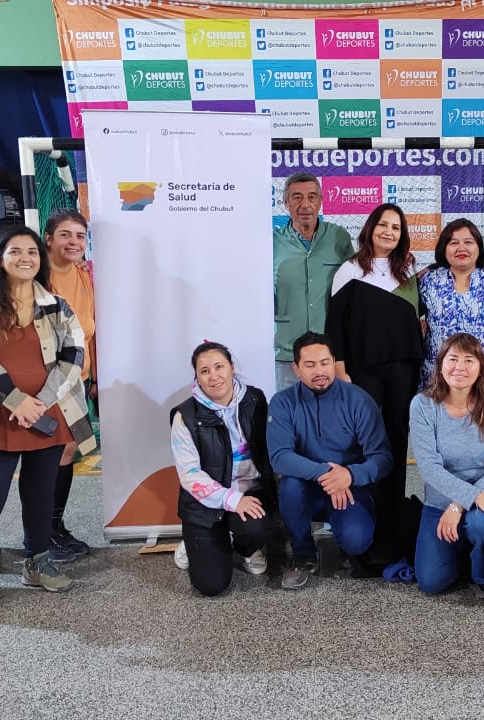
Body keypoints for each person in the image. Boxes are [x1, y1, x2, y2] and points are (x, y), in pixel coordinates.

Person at [0, 226, 96, 623]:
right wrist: (15, 401)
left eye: (32, 251)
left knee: (40, 493)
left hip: (47, 415)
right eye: (16, 251)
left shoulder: (57, 304)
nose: (26, 257)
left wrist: (39, 403)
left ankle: (37, 562)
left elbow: (73, 354)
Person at [327, 203, 422, 567]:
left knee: (397, 443)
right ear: (370, 229)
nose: (389, 232)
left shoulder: (409, 270)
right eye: (383, 225)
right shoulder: (349, 270)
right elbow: (335, 326)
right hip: (362, 371)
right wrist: (340, 370)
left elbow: (418, 319)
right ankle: (361, 523)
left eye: (396, 228)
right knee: (365, 444)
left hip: (402, 370)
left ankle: (395, 525)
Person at [267, 333, 391, 590]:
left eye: (325, 362)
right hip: (306, 487)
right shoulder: (282, 403)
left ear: (334, 361)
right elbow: (279, 457)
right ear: (296, 368)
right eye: (310, 365)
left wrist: (349, 476)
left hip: (350, 487)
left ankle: (343, 536)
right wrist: (327, 473)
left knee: (356, 541)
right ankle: (302, 554)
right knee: (290, 486)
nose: (319, 370)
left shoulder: (359, 400)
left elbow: (382, 457)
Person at [410, 333, 484, 598]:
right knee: (431, 582)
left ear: (481, 367)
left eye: (469, 360)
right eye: (453, 359)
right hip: (439, 502)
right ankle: (459, 551)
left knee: (481, 525)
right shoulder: (422, 404)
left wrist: (462, 504)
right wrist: (461, 501)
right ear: (440, 364)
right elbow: (429, 468)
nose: (460, 367)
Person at [169, 341, 273, 596]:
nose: (214, 376)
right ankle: (196, 543)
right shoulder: (185, 416)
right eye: (205, 371)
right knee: (211, 585)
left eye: (219, 367)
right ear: (198, 377)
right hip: (207, 501)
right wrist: (231, 499)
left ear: (232, 368)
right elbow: (190, 476)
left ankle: (246, 548)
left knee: (257, 527)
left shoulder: (255, 399)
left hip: (250, 491)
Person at [43, 209, 95, 561]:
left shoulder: (83, 276)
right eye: (65, 234)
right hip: (49, 381)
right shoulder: (37, 278)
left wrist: (95, 376)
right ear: (48, 238)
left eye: (79, 235)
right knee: (49, 454)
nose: (73, 242)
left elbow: (90, 332)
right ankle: (43, 531)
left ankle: (54, 526)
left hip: (78, 379)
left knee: (66, 451)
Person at [273, 172, 354, 391]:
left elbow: (353, 291)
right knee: (289, 416)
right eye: (297, 197)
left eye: (311, 197)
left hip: (329, 354)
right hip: (286, 353)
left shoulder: (339, 238)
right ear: (285, 202)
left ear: (320, 200)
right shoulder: (272, 243)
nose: (305, 204)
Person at [418, 219, 484, 389]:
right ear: (444, 249)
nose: (461, 248)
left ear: (479, 248)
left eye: (468, 242)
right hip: (439, 374)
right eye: (453, 243)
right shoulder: (428, 280)